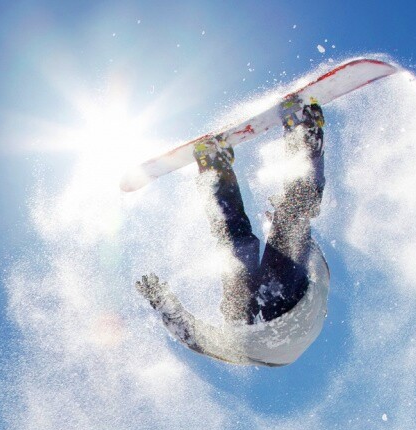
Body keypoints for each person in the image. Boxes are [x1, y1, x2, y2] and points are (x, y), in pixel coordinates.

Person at [135, 100, 331, 366]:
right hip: (249, 322)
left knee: (280, 220)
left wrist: (292, 225)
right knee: (234, 240)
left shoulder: (265, 347)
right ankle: (214, 165)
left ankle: (303, 128)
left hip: (283, 315)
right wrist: (163, 304)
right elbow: (196, 339)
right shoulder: (246, 353)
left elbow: (314, 259)